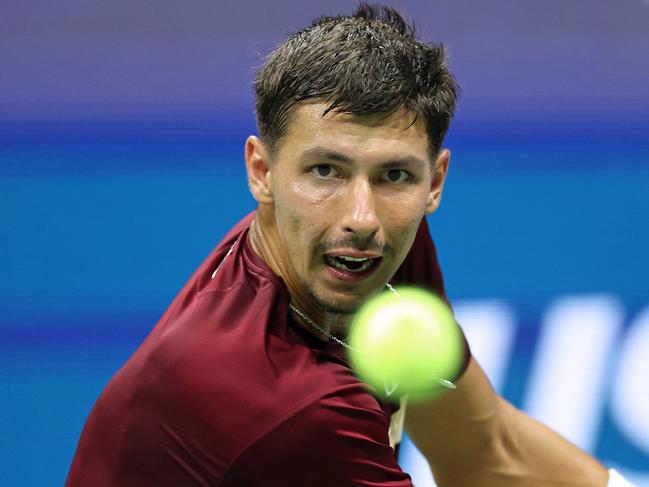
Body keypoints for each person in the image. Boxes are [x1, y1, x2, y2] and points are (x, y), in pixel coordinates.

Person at [66, 4, 632, 486]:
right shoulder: (288, 407)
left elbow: (488, 454)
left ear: (434, 182)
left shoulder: (369, 254)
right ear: (261, 171)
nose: (362, 219)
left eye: (394, 176)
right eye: (324, 171)